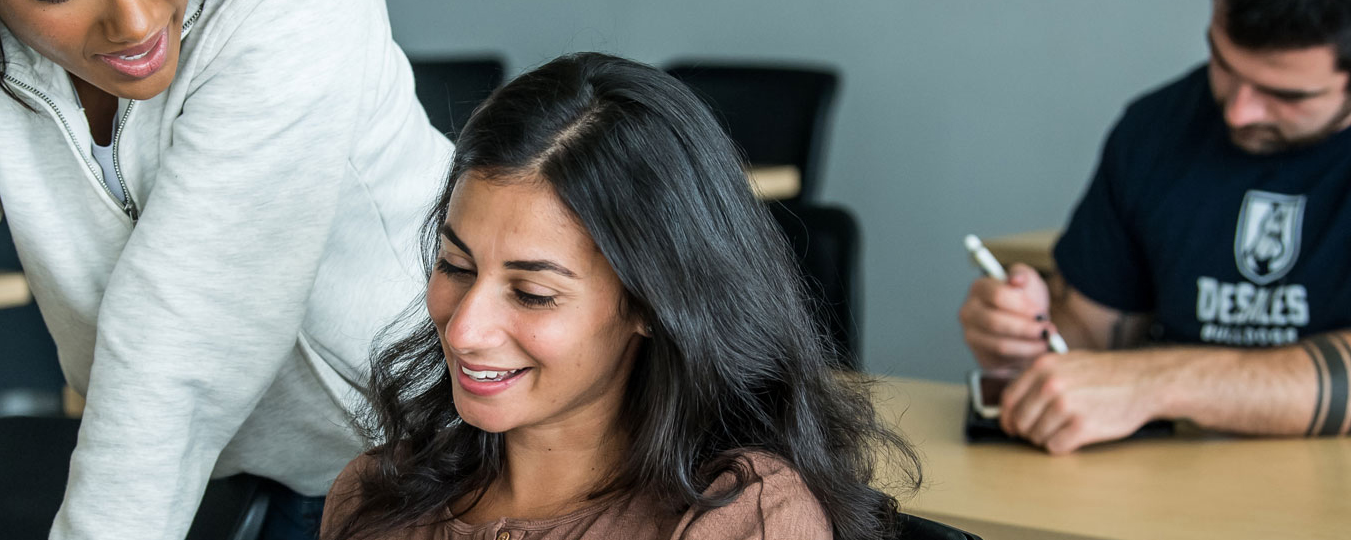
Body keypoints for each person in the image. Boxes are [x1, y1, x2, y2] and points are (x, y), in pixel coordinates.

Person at [0, 0, 449, 538]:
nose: (137, 21)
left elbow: (182, 338)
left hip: (445, 464)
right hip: (230, 476)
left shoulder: (292, 14)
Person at [317, 53, 919, 540]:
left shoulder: (739, 517)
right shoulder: (373, 496)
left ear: (652, 304)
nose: (465, 329)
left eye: (531, 294)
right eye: (455, 266)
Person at [958, 0, 1351, 454]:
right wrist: (1023, 338)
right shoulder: (1156, 127)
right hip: (1179, 485)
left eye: (1286, 94)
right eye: (1224, 62)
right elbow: (1087, 335)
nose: (1239, 112)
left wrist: (1156, 382)